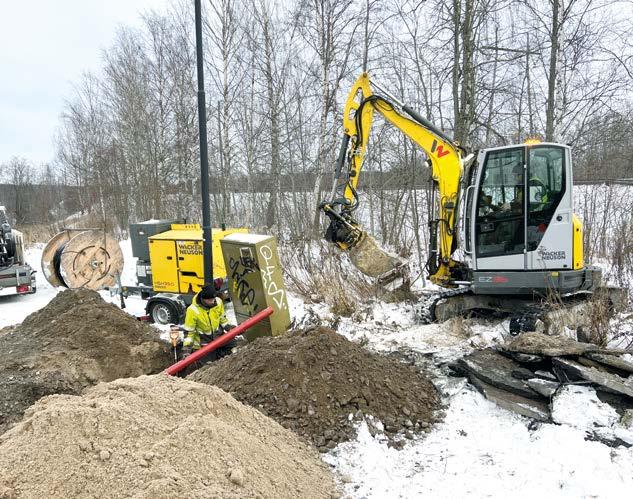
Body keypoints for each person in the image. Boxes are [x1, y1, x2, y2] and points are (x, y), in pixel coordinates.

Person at [182, 284, 237, 367]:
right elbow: (189, 332)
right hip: (203, 342)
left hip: (218, 337)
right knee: (209, 366)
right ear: (203, 299)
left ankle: (223, 359)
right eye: (210, 300)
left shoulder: (218, 302)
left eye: (213, 299)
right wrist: (187, 349)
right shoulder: (192, 310)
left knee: (233, 345)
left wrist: (229, 328)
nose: (213, 302)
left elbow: (222, 319)